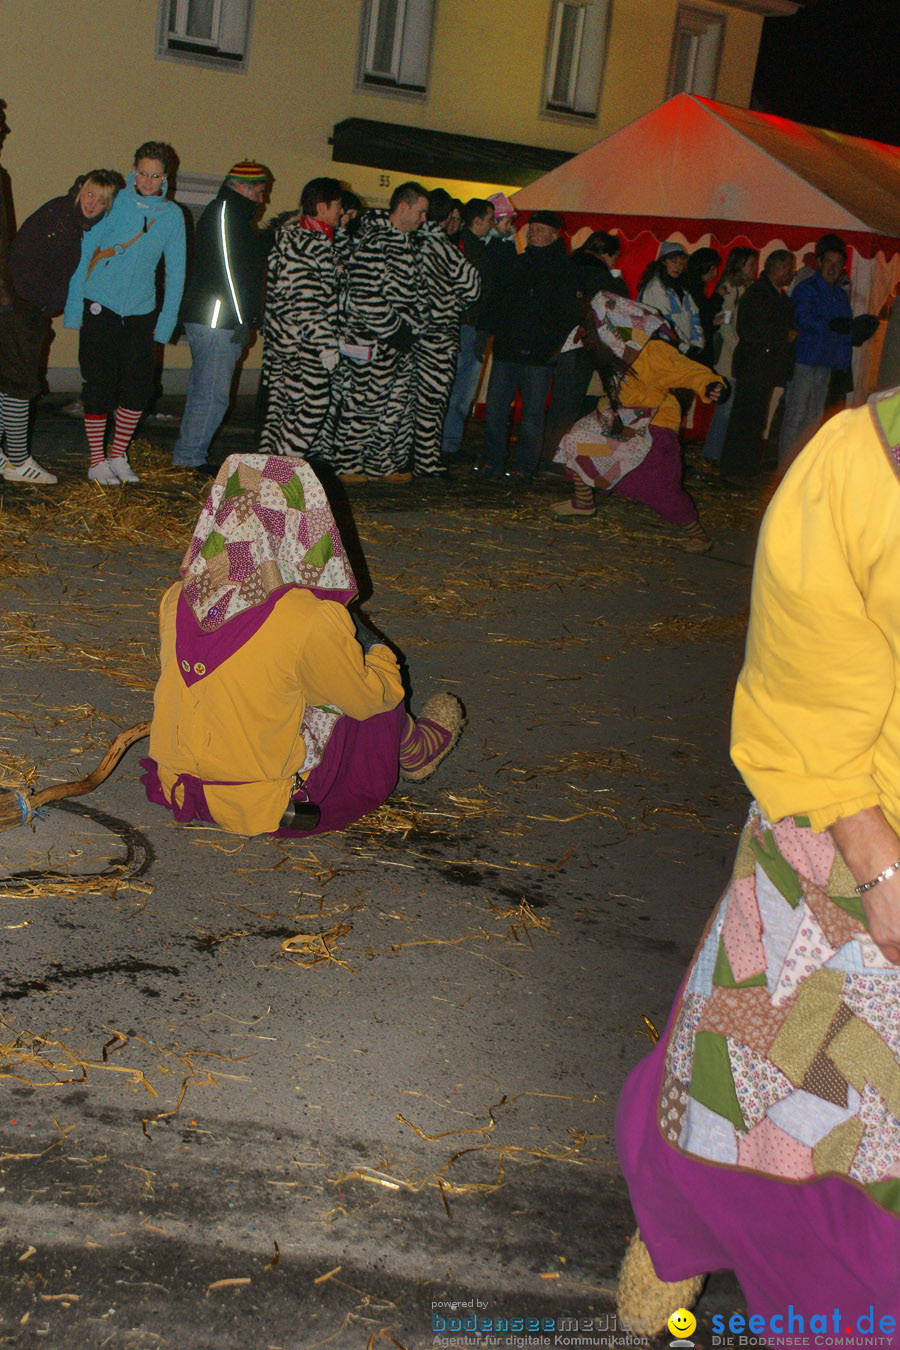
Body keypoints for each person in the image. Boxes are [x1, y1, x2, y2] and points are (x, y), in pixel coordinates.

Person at [615, 388, 900, 1337]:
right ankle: (681, 1229)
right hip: (858, 845)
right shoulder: (868, 461)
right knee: (772, 1093)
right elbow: (802, 675)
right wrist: (875, 860)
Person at [140, 453, 466, 837]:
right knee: (367, 681)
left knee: (304, 668)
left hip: (179, 787)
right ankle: (414, 747)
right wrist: (379, 657)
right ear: (306, 526)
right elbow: (363, 699)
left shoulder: (176, 597)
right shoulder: (306, 616)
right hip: (263, 803)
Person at [550, 292, 723, 552]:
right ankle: (584, 502)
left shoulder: (653, 352)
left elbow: (689, 371)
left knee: (658, 484)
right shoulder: (607, 351)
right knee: (574, 441)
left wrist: (710, 384)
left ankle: (697, 534)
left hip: (655, 421)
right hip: (616, 416)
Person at [64, 140, 186, 485]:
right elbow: (85, 253)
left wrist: (165, 325)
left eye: (156, 176)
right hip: (100, 305)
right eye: (143, 173)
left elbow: (177, 274)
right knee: (99, 384)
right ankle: (97, 460)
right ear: (134, 171)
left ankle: (118, 454)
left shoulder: (173, 216)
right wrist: (76, 309)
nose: (148, 181)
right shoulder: (114, 202)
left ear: (166, 177)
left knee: (138, 389)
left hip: (141, 312)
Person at [0, 170, 120, 484]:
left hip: (21, 305)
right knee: (20, 383)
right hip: (18, 304)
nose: (93, 203)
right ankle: (17, 462)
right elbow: (22, 261)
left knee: (8, 381)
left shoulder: (79, 224)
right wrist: (59, 298)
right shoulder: (60, 219)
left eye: (102, 199)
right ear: (81, 189)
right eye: (90, 193)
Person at [171, 159, 271, 473]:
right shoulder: (228, 213)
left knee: (205, 390)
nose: (262, 198)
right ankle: (189, 458)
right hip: (218, 319)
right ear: (241, 187)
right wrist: (243, 318)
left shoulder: (229, 214)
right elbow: (230, 270)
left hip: (214, 316)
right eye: (259, 190)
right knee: (212, 395)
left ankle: (188, 454)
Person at [334, 182, 429, 482]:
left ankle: (379, 463)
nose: (423, 219)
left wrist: (413, 328)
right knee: (364, 404)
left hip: (400, 344)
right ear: (403, 207)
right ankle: (347, 463)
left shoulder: (408, 243)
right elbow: (363, 292)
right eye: (420, 212)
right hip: (374, 342)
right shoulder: (375, 241)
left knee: (394, 407)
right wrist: (394, 330)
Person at [481, 210, 580, 481]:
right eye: (531, 228)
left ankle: (524, 466)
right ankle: (493, 461)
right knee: (496, 410)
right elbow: (499, 301)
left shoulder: (564, 270)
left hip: (538, 353)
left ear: (554, 234)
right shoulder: (516, 262)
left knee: (532, 415)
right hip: (509, 348)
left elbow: (567, 313)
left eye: (539, 229)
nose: (533, 233)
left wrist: (554, 344)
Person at [259, 176, 343, 462]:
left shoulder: (306, 239)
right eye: (337, 207)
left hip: (292, 340)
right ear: (321, 207)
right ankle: (277, 474)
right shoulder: (306, 242)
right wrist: (325, 343)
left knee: (285, 412)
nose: (341, 212)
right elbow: (306, 298)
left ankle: (267, 476)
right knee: (313, 406)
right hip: (301, 343)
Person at [779, 233, 878, 463]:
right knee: (796, 415)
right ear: (820, 262)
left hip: (826, 360)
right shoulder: (808, 288)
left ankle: (801, 465)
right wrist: (831, 324)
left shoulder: (838, 295)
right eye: (829, 262)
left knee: (813, 417)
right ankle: (785, 469)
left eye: (837, 263)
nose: (833, 267)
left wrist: (857, 333)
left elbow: (844, 328)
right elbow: (803, 318)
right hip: (806, 359)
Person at [410, 188, 480, 476]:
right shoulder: (447, 250)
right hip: (439, 339)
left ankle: (402, 457)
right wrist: (450, 303)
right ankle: (426, 461)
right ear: (448, 216)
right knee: (432, 404)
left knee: (405, 403)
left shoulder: (408, 243)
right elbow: (473, 289)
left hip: (409, 337)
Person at [718, 250, 796, 483]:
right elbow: (751, 331)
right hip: (754, 365)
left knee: (754, 419)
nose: (792, 273)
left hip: (763, 367)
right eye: (790, 268)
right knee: (745, 419)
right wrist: (784, 336)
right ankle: (734, 469)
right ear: (779, 268)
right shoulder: (758, 294)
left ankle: (747, 467)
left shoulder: (773, 295)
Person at [440, 197, 494, 464]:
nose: (493, 225)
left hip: (466, 325)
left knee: (456, 389)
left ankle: (447, 442)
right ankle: (448, 443)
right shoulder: (469, 249)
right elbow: (480, 293)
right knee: (459, 390)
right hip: (466, 325)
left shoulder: (466, 246)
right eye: (490, 219)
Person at [701, 247, 758, 463]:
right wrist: (740, 348)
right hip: (729, 357)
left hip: (737, 355)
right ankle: (713, 452)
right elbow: (725, 325)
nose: (754, 269)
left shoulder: (744, 289)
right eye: (750, 264)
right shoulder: (730, 289)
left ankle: (719, 451)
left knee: (731, 406)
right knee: (726, 406)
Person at [638, 242, 702, 358]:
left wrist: (697, 344)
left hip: (681, 351)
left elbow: (694, 316)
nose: (678, 267)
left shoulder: (682, 288)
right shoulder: (655, 288)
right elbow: (664, 322)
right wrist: (685, 348)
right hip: (664, 350)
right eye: (674, 261)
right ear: (663, 261)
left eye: (682, 263)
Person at [685, 247, 722, 369]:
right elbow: (703, 314)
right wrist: (717, 296)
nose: (715, 273)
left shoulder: (696, 287)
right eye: (712, 269)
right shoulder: (693, 289)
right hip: (697, 348)